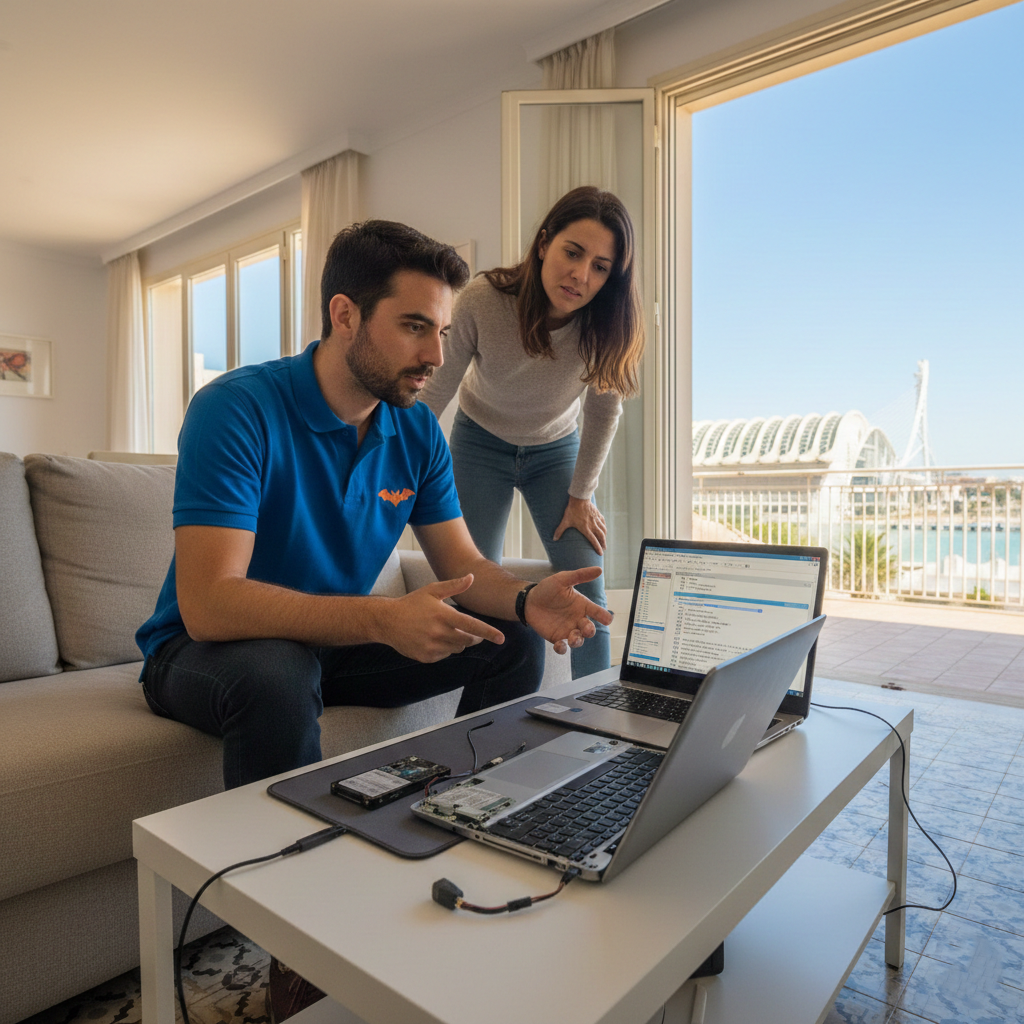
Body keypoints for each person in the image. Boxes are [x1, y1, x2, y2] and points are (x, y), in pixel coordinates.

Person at [135, 219, 612, 796]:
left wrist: (523, 598)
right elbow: (211, 604)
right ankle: (279, 874)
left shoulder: (417, 431)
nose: (436, 355)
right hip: (206, 652)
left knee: (509, 636)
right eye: (414, 327)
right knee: (277, 673)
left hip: (332, 648)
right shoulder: (235, 410)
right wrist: (382, 618)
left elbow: (463, 565)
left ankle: (476, 813)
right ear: (345, 316)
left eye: (441, 330)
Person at [421, 186, 644, 679]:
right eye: (573, 252)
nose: (581, 275)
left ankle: (600, 710)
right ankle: (479, 705)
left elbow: (604, 413)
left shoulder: (605, 327)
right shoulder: (482, 299)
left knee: (588, 585)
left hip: (554, 453)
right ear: (544, 244)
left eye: (601, 267)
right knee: (472, 581)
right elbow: (433, 393)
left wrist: (581, 495)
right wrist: (394, 461)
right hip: (479, 442)